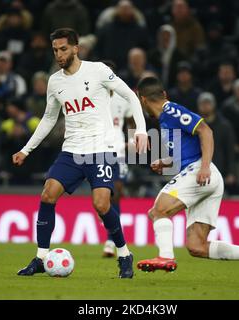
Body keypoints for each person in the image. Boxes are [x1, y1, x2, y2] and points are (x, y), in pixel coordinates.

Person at [13, 28, 148, 278]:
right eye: (55, 50)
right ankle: (41, 257)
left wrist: (141, 131)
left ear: (76, 48)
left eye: (63, 49)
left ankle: (124, 254)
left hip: (102, 149)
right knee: (47, 194)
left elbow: (131, 95)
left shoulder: (97, 70)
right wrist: (26, 149)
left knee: (101, 204)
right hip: (72, 150)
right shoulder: (54, 81)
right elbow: (48, 118)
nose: (59, 54)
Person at [135, 76, 239, 286]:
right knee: (196, 246)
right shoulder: (165, 120)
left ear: (142, 99)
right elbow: (186, 149)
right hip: (206, 176)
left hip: (201, 172)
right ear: (163, 93)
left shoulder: (170, 109)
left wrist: (205, 166)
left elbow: (205, 131)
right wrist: (166, 161)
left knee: (158, 211)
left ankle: (165, 256)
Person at [102, 60, 134, 258]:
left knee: (117, 192)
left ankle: (110, 241)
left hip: (119, 150)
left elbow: (130, 120)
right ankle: (109, 227)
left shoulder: (123, 96)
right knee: (102, 197)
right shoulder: (92, 95)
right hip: (96, 149)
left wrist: (132, 139)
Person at [197, 92, 237, 194]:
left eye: (208, 103)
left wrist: (231, 172)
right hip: (196, 168)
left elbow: (230, 151)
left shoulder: (224, 125)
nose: (205, 106)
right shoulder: (193, 125)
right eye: (203, 104)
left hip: (219, 169)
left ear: (214, 105)